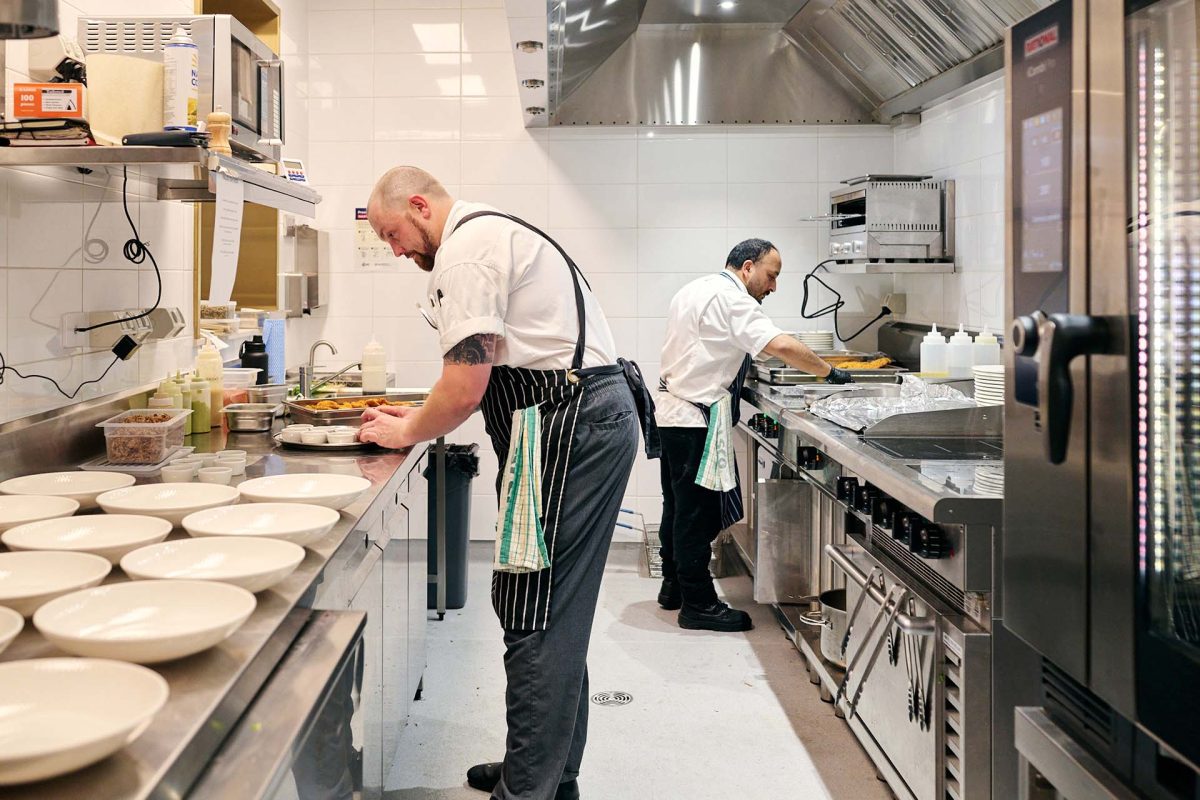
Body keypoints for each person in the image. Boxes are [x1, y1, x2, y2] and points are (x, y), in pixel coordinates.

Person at [357, 166, 658, 800]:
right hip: (572, 421)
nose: (394, 249)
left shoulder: (466, 253)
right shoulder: (489, 232)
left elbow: (465, 388)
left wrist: (405, 429)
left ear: (418, 205)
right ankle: (545, 772)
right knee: (554, 609)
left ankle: (528, 789)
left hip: (567, 426)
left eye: (392, 234)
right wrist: (411, 418)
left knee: (536, 608)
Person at [654, 238, 852, 631]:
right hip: (694, 419)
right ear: (748, 267)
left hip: (675, 413)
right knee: (696, 515)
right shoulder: (732, 299)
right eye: (771, 276)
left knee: (677, 507)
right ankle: (698, 606)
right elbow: (777, 344)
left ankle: (674, 587)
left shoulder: (697, 288)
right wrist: (829, 372)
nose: (773, 287)